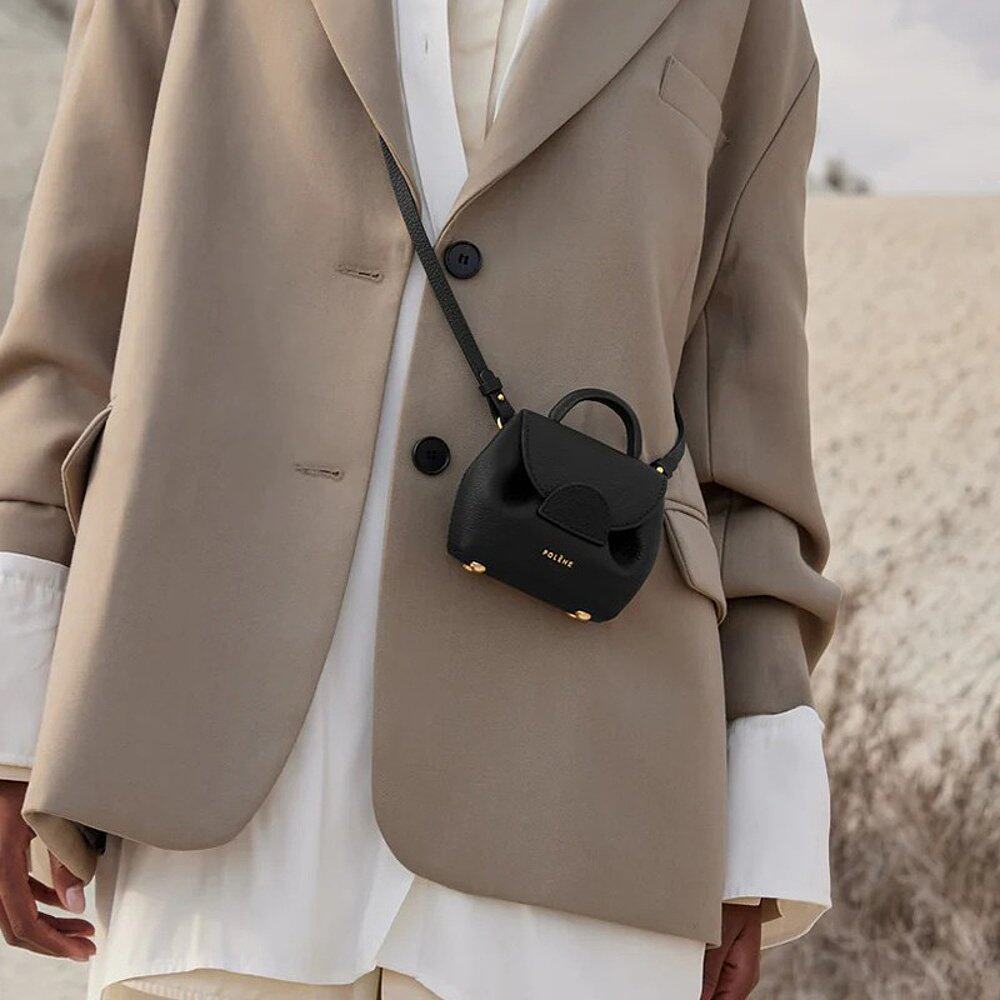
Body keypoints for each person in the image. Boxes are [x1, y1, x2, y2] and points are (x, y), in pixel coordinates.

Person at [0, 1, 841, 998]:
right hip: (213, 769)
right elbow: (71, 323)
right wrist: (11, 720)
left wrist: (758, 817)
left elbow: (745, 420)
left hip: (584, 811)